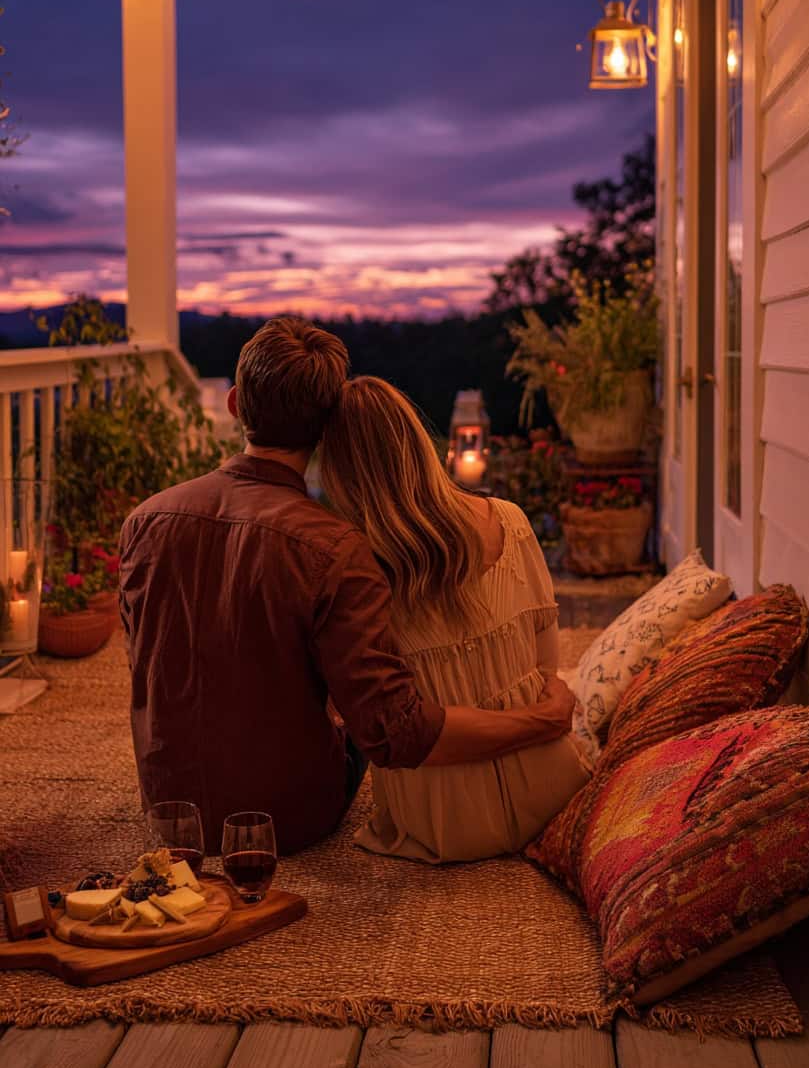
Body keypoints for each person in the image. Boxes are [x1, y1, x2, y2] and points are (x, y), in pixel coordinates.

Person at [119, 317, 575, 856]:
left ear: (236, 403)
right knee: (361, 701)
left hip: (170, 811)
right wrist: (539, 721)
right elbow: (393, 734)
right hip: (285, 818)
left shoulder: (144, 520)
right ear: (324, 429)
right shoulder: (332, 546)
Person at [320, 376, 592, 863]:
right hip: (550, 786)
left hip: (440, 824)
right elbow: (547, 669)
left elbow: (380, 725)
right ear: (418, 444)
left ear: (340, 472)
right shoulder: (510, 521)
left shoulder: (353, 572)